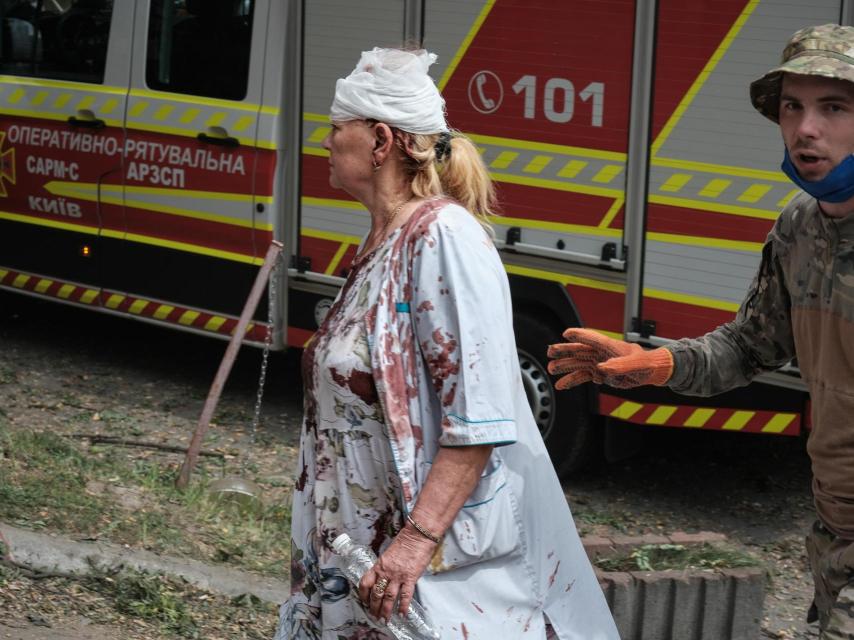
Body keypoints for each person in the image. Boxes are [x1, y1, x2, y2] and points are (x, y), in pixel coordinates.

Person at [274, 47, 619, 640]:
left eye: (337, 129)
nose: (325, 142)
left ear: (381, 141)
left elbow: (478, 416)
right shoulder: (382, 242)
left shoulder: (444, 238)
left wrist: (415, 542)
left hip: (419, 568)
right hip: (354, 552)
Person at [548, 24, 854, 639]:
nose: (805, 129)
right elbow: (749, 345)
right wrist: (654, 364)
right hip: (834, 525)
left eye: (834, 108)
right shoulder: (800, 226)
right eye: (792, 107)